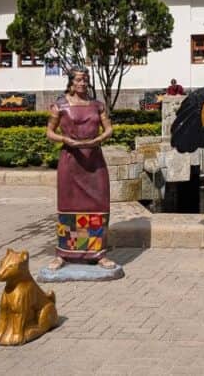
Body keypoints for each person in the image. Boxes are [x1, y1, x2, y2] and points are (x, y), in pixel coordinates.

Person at [45, 67, 117, 271]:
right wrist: (65, 139)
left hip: (94, 161)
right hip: (71, 160)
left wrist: (99, 139)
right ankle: (63, 253)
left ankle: (98, 253)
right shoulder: (59, 105)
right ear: (71, 82)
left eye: (86, 79)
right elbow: (49, 132)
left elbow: (109, 129)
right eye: (79, 80)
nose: (83, 83)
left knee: (97, 205)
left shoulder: (98, 105)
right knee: (69, 206)